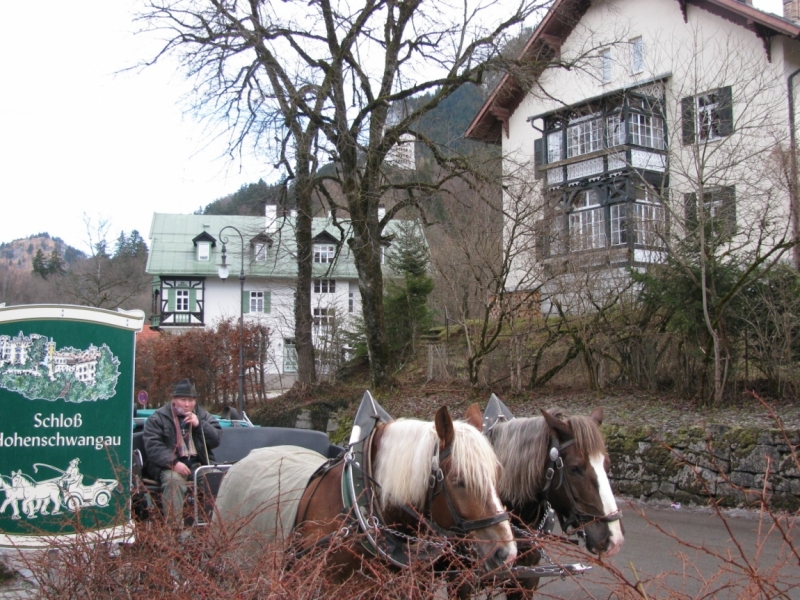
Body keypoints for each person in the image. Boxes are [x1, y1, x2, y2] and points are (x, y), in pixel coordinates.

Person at [143, 379, 222, 527]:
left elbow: (216, 439)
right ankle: (175, 531)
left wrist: (200, 425)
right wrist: (173, 463)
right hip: (167, 466)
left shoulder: (202, 415)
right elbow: (153, 447)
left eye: (191, 400)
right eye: (183, 400)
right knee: (174, 482)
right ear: (174, 400)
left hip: (197, 464)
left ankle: (212, 526)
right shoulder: (158, 418)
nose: (187, 405)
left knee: (213, 478)